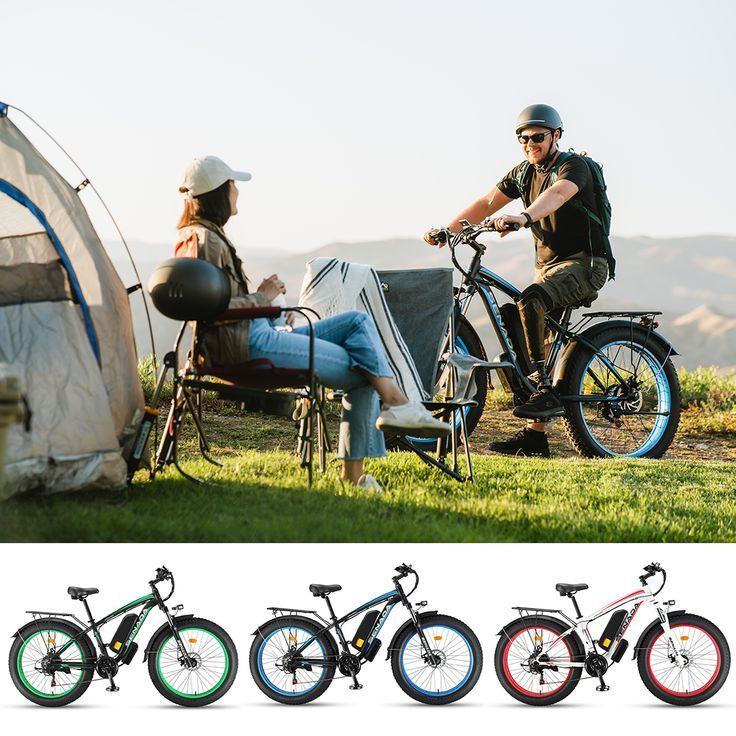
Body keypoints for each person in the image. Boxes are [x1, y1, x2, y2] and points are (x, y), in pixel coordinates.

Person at [177, 155, 450, 488]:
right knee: (364, 372)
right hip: (248, 345)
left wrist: (273, 310)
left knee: (356, 322)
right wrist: (262, 297)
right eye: (233, 185)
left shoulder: (207, 236)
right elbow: (205, 308)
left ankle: (396, 405)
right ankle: (371, 450)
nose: (237, 191)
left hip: (258, 332)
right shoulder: (203, 241)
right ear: (219, 191)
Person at [424, 105, 609, 458]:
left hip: (586, 264)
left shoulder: (573, 166)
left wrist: (523, 217)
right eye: (523, 138)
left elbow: (557, 195)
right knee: (515, 320)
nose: (530, 144)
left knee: (531, 300)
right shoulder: (523, 173)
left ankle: (544, 389)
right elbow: (486, 202)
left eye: (538, 137)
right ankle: (535, 437)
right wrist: (446, 230)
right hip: (549, 268)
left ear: (556, 135)